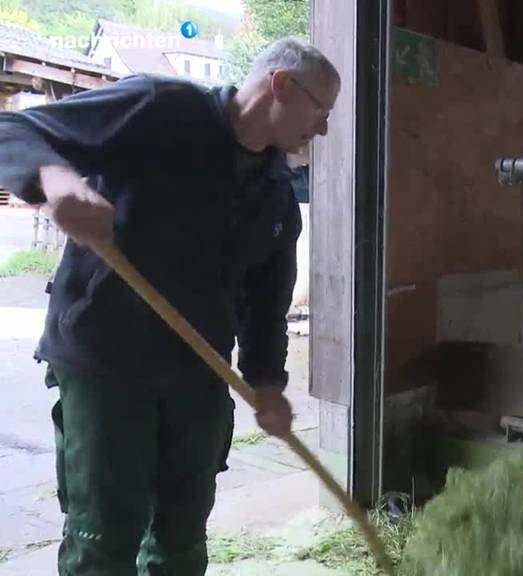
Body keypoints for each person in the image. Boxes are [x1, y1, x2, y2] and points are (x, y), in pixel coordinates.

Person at [0, 36, 339, 574]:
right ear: (280, 84)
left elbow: (266, 308)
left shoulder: (275, 194)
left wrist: (268, 385)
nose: (323, 127)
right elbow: (14, 131)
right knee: (105, 535)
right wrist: (57, 179)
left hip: (199, 373)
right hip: (106, 361)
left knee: (182, 537)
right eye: (322, 109)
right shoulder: (161, 108)